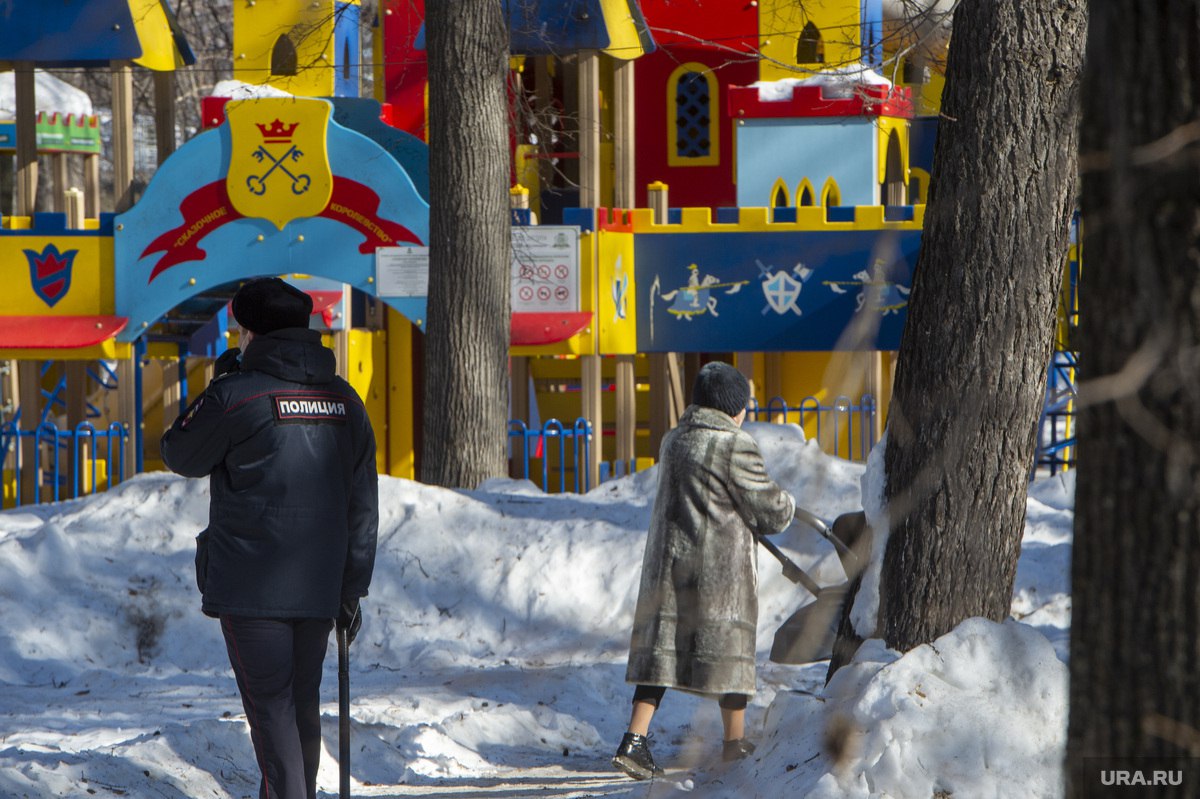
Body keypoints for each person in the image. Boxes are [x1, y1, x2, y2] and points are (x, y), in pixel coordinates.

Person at [161, 276, 378, 799]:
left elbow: (179, 453)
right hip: (320, 584)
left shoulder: (237, 396)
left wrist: (219, 389)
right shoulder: (345, 400)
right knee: (299, 703)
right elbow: (362, 503)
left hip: (252, 586)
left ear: (251, 333)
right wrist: (352, 586)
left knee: (272, 708)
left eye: (239, 329)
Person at [613, 361, 796, 780]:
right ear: (734, 408)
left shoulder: (674, 440)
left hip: (669, 568)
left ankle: (634, 740)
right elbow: (770, 510)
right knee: (730, 652)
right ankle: (733, 743)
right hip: (718, 574)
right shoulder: (735, 445)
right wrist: (786, 503)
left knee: (662, 654)